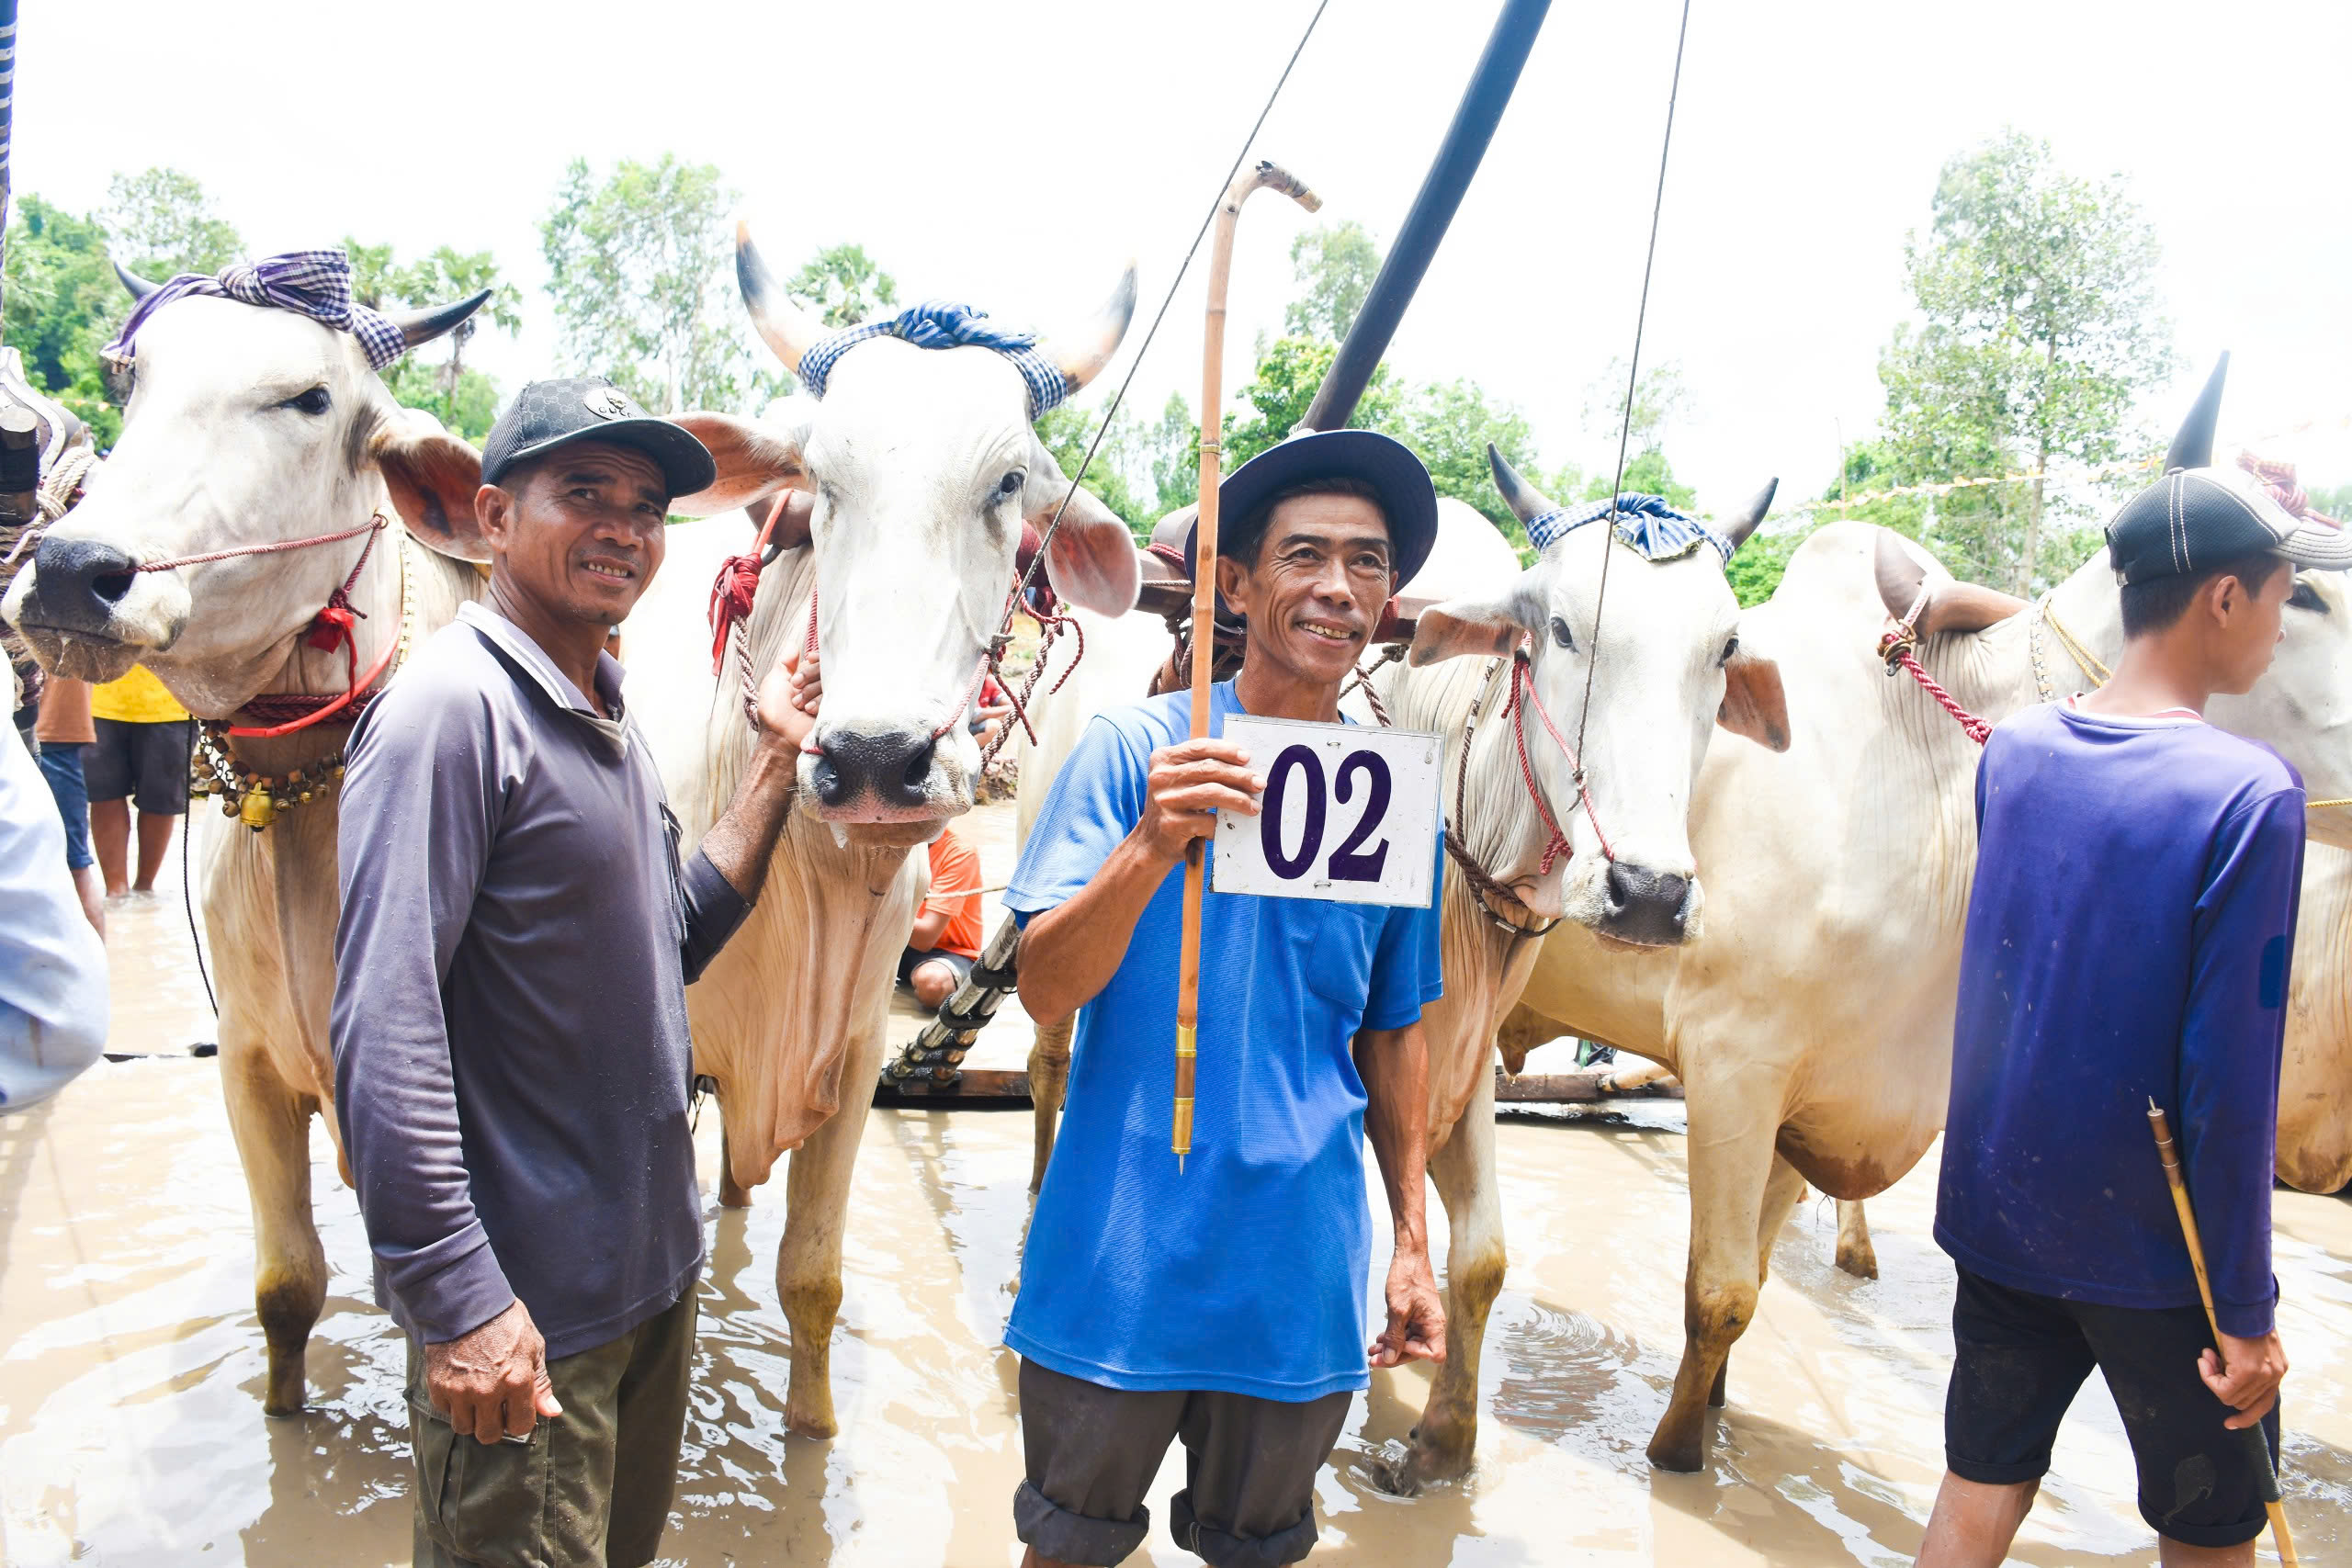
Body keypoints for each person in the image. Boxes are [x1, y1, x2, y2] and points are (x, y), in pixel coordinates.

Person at [331, 378, 820, 1568]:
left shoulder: (603, 711)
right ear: (493, 517)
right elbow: (380, 1029)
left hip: (643, 1291)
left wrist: (772, 763)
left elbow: (670, 941)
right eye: (583, 492)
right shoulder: (451, 712)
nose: (623, 527)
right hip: (525, 1313)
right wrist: (459, 1302)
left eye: (648, 506)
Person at [1004, 430, 1448, 1568]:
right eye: (1305, 556)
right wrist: (1152, 844)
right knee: (1064, 1548)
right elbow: (1045, 991)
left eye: (1368, 562)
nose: (1338, 589)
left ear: (1388, 599)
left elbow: (1394, 1030)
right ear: (1238, 586)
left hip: (1296, 1268)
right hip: (1117, 1255)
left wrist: (1410, 1237)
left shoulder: (1389, 797)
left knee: (1260, 1552)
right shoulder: (1134, 752)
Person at [1917, 439, 2351, 1567]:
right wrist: (2246, 1315)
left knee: (1976, 1490)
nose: (2278, 620)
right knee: (2209, 1534)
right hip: (2165, 1257)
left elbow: (2003, 993)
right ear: (2221, 597)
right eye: (2283, 594)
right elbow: (2229, 1082)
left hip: (1998, 1220)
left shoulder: (2014, 752)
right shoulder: (2250, 794)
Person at [0, 663, 107, 1110]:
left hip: (34, 727)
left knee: (75, 864)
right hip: (31, 727)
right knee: (74, 866)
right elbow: (74, 1028)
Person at [85, 663, 194, 896]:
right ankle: (116, 891)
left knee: (162, 799)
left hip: (172, 702)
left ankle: (145, 887)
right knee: (103, 794)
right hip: (101, 698)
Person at [33, 675, 104, 934]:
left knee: (75, 866)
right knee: (76, 867)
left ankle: (97, 972)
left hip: (53, 734)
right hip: (52, 734)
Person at [899, 819, 986, 1010]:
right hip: (894, 945)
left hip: (949, 952)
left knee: (933, 984)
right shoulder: (885, 846)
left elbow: (926, 937)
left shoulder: (959, 853)